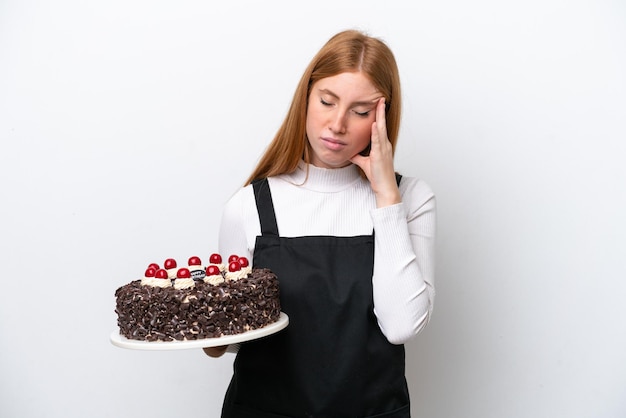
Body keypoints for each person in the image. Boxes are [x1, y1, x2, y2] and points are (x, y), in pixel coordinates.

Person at [204, 29, 436, 417]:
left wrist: (386, 198)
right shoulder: (250, 206)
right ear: (306, 97)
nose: (338, 124)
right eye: (327, 101)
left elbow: (401, 326)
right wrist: (208, 333)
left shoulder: (410, 198)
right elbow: (230, 336)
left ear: (383, 118)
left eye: (361, 111)